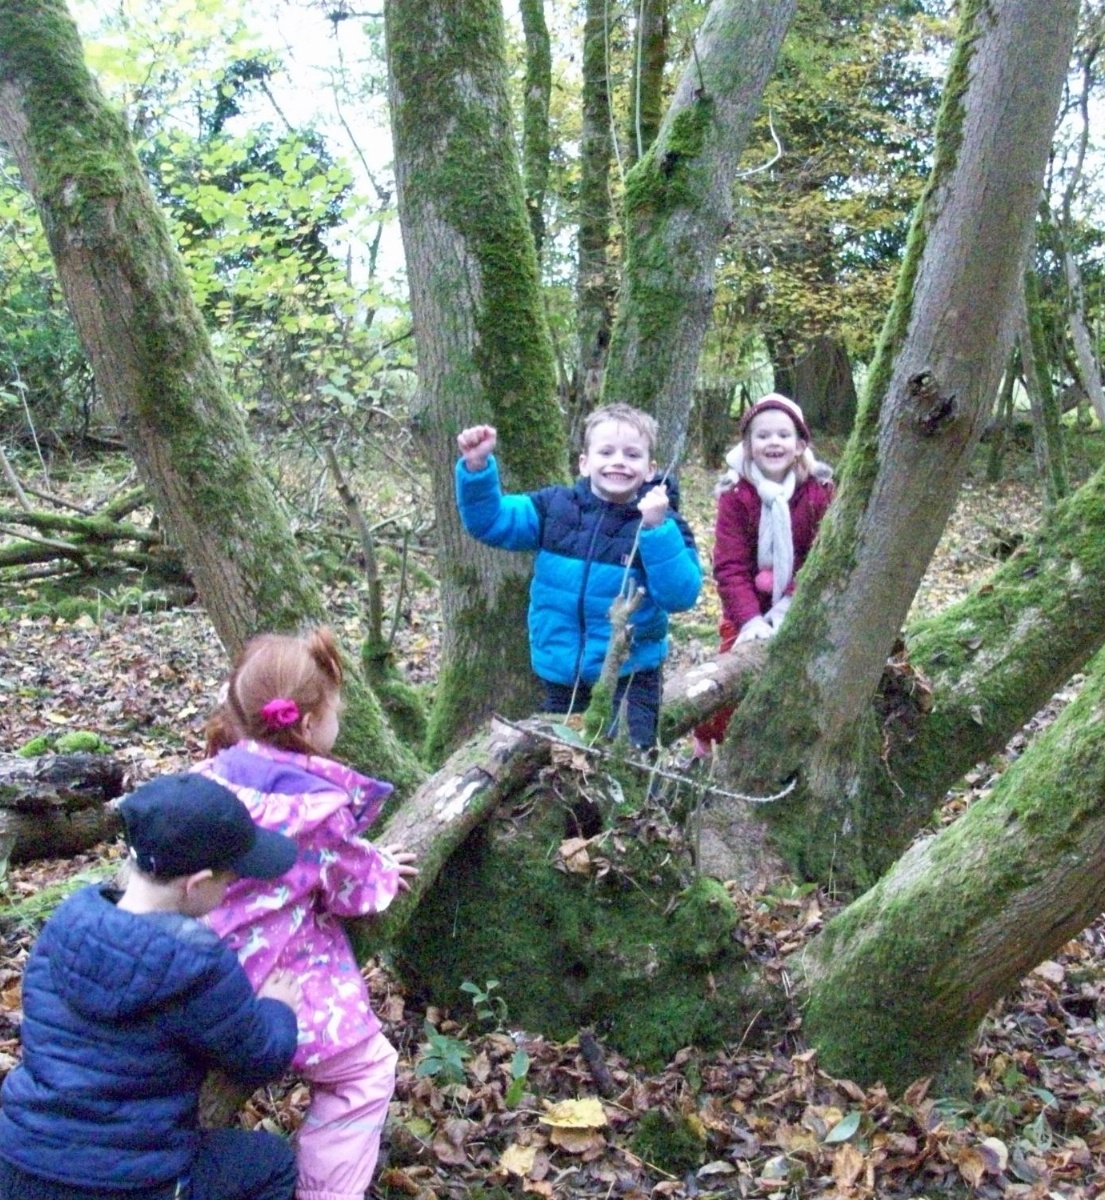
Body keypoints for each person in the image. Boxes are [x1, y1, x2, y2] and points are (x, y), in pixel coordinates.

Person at [0, 772, 302, 1200]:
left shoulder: (68, 921)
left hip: (19, 1162)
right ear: (196, 884)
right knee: (272, 1164)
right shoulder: (197, 962)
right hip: (125, 1183)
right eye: (229, 880)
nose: (231, 888)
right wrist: (278, 1009)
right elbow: (258, 1057)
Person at [195, 626, 418, 1200]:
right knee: (363, 1072)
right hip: (274, 983)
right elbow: (354, 888)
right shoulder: (317, 808)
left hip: (194, 976)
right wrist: (385, 866)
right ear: (311, 723)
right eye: (337, 706)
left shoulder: (206, 781)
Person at [456, 403, 703, 748]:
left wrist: (656, 529)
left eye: (632, 454)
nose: (618, 461)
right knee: (561, 764)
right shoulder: (554, 508)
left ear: (650, 469)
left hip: (629, 675)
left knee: (626, 760)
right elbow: (491, 521)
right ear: (585, 462)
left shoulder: (663, 524)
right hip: (560, 673)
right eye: (606, 451)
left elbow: (680, 595)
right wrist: (477, 467)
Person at [692, 392, 834, 757]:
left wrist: (789, 604)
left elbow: (821, 557)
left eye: (784, 435)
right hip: (746, 611)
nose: (774, 443)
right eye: (763, 435)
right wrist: (751, 620)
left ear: (801, 443)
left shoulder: (818, 492)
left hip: (800, 604)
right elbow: (730, 565)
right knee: (729, 684)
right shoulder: (735, 493)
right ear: (748, 445)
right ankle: (709, 748)